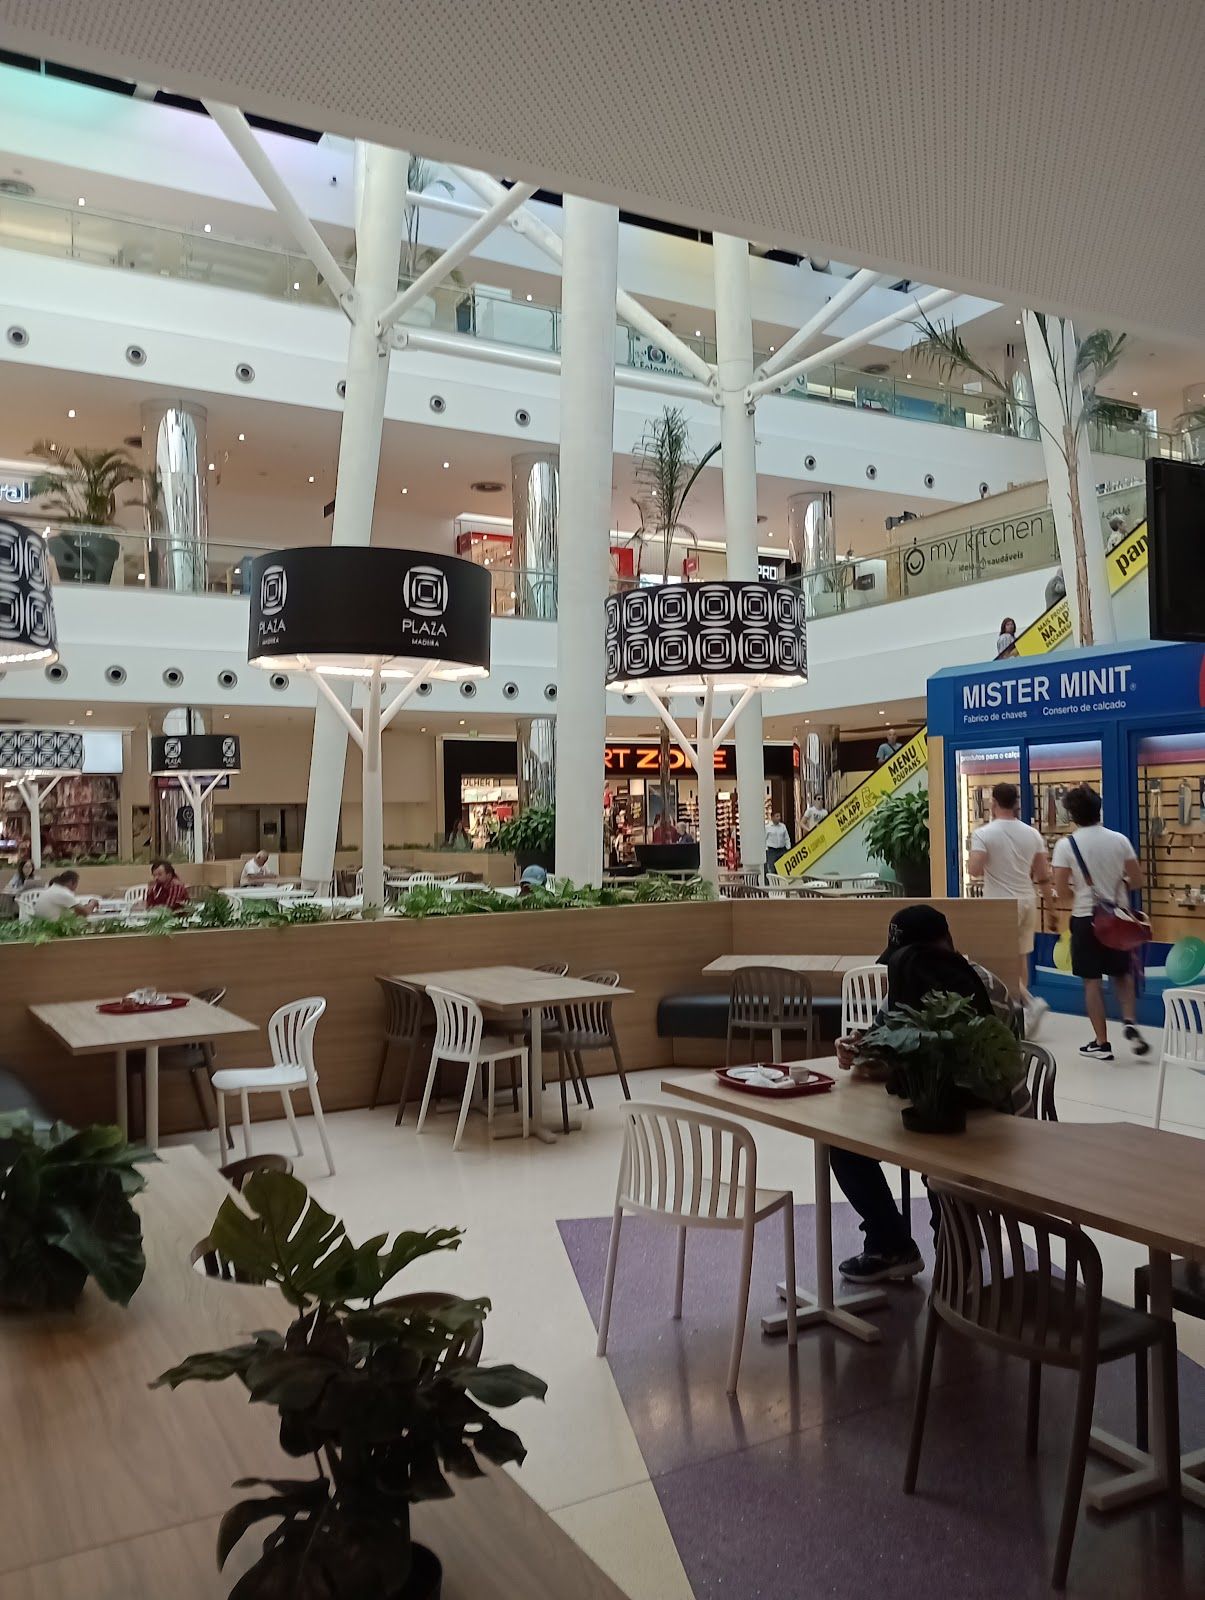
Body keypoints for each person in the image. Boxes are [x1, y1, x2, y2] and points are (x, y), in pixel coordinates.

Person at [830, 905, 995, 1283]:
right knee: (842, 1145)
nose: (904, 965)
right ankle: (890, 1244)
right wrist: (858, 1047)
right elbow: (883, 1042)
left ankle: (958, 1267)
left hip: (984, 1118)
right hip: (921, 1107)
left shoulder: (981, 985)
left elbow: (982, 1070)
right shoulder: (907, 981)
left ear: (944, 944)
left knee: (940, 1164)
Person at [1051, 785, 1148, 1061]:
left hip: (1085, 918)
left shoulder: (1066, 845)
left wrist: (1080, 894)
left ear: (1072, 814)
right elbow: (1137, 880)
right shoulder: (1119, 840)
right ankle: (1129, 1020)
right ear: (1099, 809)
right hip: (1118, 918)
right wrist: (1118, 886)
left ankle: (1102, 1043)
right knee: (1122, 973)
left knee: (1091, 982)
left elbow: (1062, 891)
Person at [967, 781, 1052, 1035]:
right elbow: (1042, 873)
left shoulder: (984, 834)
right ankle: (1021, 1014)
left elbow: (975, 870)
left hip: (1000, 904)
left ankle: (1028, 1002)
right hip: (1027, 899)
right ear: (1016, 803)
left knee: (996, 960)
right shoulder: (1032, 834)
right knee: (1020, 956)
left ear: (993, 802)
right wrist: (1052, 907)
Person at [31, 870, 99, 922]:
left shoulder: (53, 888)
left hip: (41, 924)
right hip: (52, 927)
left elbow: (77, 911)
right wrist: (92, 902)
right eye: (76, 884)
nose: (76, 888)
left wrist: (83, 908)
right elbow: (85, 913)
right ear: (71, 882)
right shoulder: (63, 893)